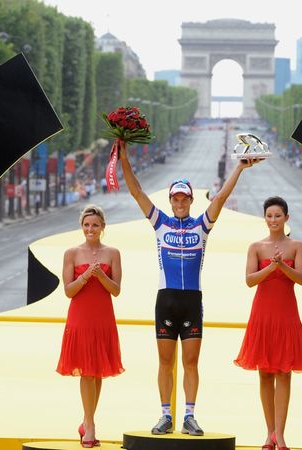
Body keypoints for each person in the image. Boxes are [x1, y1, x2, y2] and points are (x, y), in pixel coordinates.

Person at [119, 139, 259, 436]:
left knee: (191, 363)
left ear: (191, 200)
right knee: (165, 362)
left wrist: (239, 168)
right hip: (166, 300)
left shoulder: (201, 226)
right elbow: (137, 192)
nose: (180, 203)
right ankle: (165, 416)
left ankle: (190, 417)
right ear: (170, 201)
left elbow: (220, 198)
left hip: (192, 302)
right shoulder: (161, 223)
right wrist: (124, 158)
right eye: (176, 199)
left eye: (184, 199)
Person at [234, 196, 302, 450]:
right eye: (269, 216)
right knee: (265, 374)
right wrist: (271, 267)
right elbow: (249, 280)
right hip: (262, 315)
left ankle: (281, 435)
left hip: (287, 315)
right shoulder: (256, 247)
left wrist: (282, 266)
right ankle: (270, 434)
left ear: (287, 218)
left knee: (284, 374)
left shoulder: (297, 246)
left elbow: (301, 278)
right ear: (264, 218)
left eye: (278, 216)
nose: (273, 220)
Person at [56, 205, 124, 448]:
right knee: (86, 371)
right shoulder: (71, 253)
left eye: (95, 225)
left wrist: (101, 276)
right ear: (81, 226)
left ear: (102, 226)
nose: (90, 229)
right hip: (80, 317)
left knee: (97, 372)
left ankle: (87, 421)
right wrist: (85, 276)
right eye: (86, 225)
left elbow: (116, 290)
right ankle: (91, 424)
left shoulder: (113, 253)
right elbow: (68, 291)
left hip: (103, 317)